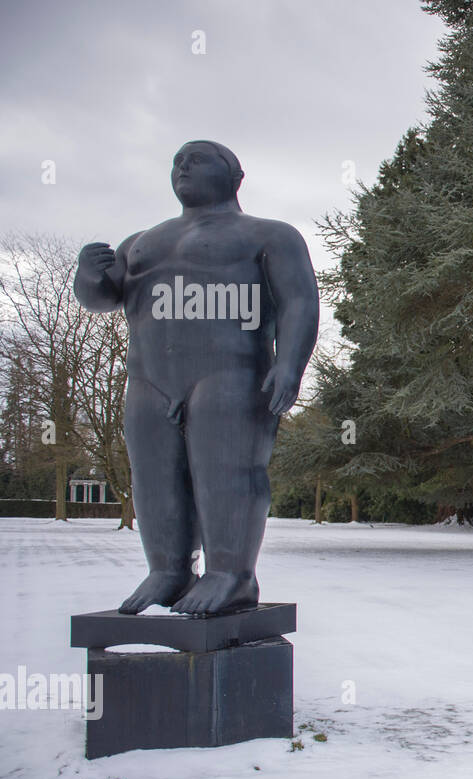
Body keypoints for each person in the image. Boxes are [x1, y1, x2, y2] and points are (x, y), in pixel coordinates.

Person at [74, 141, 318, 616]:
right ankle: (168, 569)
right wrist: (88, 275)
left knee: (227, 472)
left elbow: (299, 301)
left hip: (231, 373)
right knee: (153, 474)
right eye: (177, 162)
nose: (183, 166)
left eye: (197, 159)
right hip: (149, 377)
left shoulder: (268, 234)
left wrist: (290, 363)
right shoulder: (141, 242)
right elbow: (104, 297)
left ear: (235, 175)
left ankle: (232, 574)